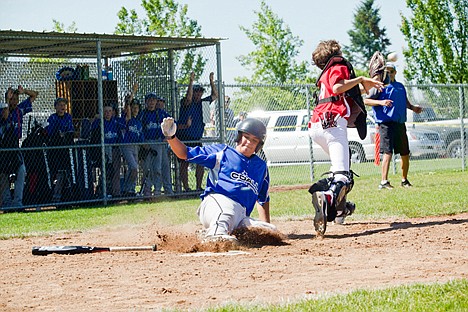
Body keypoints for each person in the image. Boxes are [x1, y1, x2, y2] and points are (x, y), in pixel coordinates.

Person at [308, 40, 383, 236]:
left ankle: (339, 212)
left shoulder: (326, 72)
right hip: (332, 123)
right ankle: (328, 198)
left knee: (342, 170)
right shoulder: (338, 66)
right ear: (335, 53)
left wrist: (369, 83)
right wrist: (359, 79)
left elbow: (347, 92)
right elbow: (339, 87)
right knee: (343, 176)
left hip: (317, 125)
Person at [161, 116, 276, 243]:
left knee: (267, 230)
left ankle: (211, 232)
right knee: (226, 211)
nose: (249, 142)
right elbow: (184, 153)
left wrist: (267, 227)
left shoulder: (261, 167)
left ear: (258, 145)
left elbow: (263, 199)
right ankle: (215, 233)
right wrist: (171, 137)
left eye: (254, 140)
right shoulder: (223, 152)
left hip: (241, 215)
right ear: (239, 136)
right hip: (217, 203)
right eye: (246, 137)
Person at [364, 60, 422, 189]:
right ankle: (384, 182)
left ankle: (404, 180)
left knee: (405, 153)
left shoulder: (400, 86)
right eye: (387, 71)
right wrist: (381, 102)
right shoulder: (380, 86)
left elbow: (405, 102)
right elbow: (366, 101)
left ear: (395, 72)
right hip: (386, 124)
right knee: (388, 153)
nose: (389, 73)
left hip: (400, 124)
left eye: (391, 71)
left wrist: (413, 107)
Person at [178, 71, 218, 191]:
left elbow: (215, 96)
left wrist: (211, 82)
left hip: (196, 138)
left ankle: (198, 186)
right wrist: (191, 81)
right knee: (184, 163)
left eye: (200, 92)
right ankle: (186, 188)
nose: (198, 94)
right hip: (185, 137)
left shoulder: (203, 104)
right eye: (196, 92)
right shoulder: (186, 102)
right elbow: (189, 98)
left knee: (200, 162)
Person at [3, 86, 38, 208]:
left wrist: (24, 92)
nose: (14, 101)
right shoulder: (3, 109)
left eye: (15, 99)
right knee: (3, 174)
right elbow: (6, 117)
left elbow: (34, 95)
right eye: (12, 99)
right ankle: (7, 203)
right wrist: (7, 100)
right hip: (3, 147)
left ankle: (17, 202)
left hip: (15, 145)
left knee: (22, 170)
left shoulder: (20, 109)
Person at [139, 92, 173, 196]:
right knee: (149, 168)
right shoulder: (143, 114)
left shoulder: (160, 113)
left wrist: (167, 136)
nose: (152, 102)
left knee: (161, 167)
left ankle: (160, 190)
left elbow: (171, 122)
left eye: (154, 100)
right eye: (150, 100)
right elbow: (139, 129)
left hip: (159, 142)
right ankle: (148, 189)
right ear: (146, 102)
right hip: (147, 143)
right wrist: (143, 142)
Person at [45, 98, 75, 202]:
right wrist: (60, 135)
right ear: (56, 106)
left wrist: (63, 135)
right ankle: (54, 195)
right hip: (55, 150)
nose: (62, 107)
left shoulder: (68, 117)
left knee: (66, 171)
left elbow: (70, 132)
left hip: (66, 149)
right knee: (56, 172)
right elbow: (52, 133)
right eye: (60, 105)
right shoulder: (52, 118)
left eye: (64, 105)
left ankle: (67, 194)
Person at [90, 103, 122, 198]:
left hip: (114, 148)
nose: (108, 113)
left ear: (113, 112)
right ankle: (104, 191)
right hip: (104, 149)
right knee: (105, 170)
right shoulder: (99, 122)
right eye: (106, 111)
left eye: (110, 111)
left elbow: (124, 127)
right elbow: (93, 131)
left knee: (115, 171)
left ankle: (116, 193)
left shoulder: (116, 122)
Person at [120, 98, 144, 197]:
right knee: (134, 167)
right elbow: (128, 112)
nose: (135, 109)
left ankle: (131, 190)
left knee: (133, 169)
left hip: (135, 146)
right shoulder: (127, 118)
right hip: (127, 145)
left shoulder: (138, 121)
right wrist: (129, 101)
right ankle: (127, 188)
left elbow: (140, 136)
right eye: (133, 108)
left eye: (136, 108)